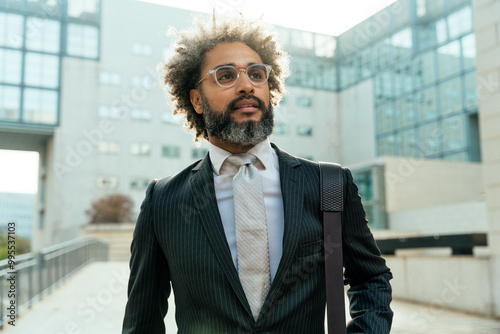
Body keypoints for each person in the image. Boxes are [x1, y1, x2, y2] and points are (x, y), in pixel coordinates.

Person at [122, 14, 393, 334]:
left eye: (256, 73)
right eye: (225, 75)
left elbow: (370, 278)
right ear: (196, 99)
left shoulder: (328, 184)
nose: (247, 84)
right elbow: (143, 319)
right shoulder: (163, 200)